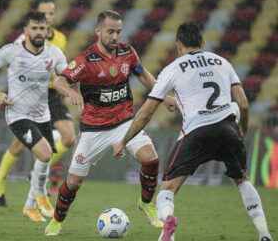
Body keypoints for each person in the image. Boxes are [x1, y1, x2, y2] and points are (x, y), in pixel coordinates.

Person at [113, 22, 273, 241]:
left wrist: (124, 140)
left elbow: (146, 113)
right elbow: (243, 104)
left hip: (196, 131)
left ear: (178, 46)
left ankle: (168, 222)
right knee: (242, 179)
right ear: (203, 42)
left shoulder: (173, 68)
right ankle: (264, 233)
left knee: (168, 188)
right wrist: (242, 130)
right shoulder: (222, 62)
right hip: (228, 126)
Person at [44, 10, 178, 236]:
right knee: (74, 182)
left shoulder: (127, 52)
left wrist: (163, 95)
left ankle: (145, 204)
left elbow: (143, 75)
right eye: (110, 32)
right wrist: (71, 93)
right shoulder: (85, 60)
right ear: (98, 31)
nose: (115, 37)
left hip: (124, 122)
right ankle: (57, 220)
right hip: (93, 129)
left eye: (118, 32)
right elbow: (60, 81)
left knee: (151, 160)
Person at [0, 11, 78, 223]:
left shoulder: (55, 53)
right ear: (26, 31)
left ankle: (29, 206)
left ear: (47, 30)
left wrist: (72, 90)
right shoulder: (11, 52)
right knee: (45, 154)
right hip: (18, 114)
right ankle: (40, 193)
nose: (38, 32)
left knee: (44, 158)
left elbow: (65, 79)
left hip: (43, 113)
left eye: (41, 28)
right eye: (34, 28)